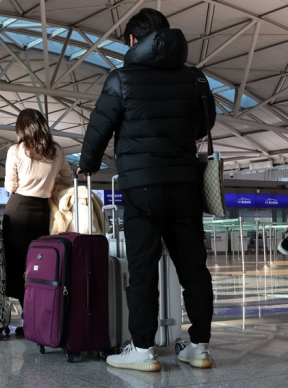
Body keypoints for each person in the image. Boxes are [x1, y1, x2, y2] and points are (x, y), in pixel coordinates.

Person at [77, 9, 216, 372]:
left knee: (143, 267)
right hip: (184, 184)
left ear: (134, 41)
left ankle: (142, 349)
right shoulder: (194, 78)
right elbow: (204, 124)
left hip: (142, 187)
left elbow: (100, 125)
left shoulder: (121, 79)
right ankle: (199, 346)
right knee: (193, 267)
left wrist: (87, 164)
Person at [3, 108, 74, 310]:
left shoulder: (16, 150)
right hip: (42, 211)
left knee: (16, 262)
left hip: (18, 210)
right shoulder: (56, 151)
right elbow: (68, 180)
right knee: (38, 260)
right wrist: (49, 181)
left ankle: (23, 309)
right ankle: (36, 310)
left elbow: (10, 187)